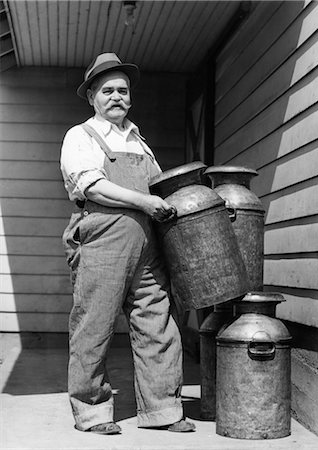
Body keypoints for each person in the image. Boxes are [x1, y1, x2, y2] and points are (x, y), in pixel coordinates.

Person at [60, 53, 195, 435]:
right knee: (94, 324)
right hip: (104, 237)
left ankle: (163, 410)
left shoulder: (140, 142)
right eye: (107, 91)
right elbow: (93, 185)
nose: (116, 97)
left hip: (148, 244)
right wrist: (147, 203)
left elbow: (159, 187)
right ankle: (92, 412)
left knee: (157, 322)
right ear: (91, 97)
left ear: (130, 97)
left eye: (122, 90)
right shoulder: (81, 136)